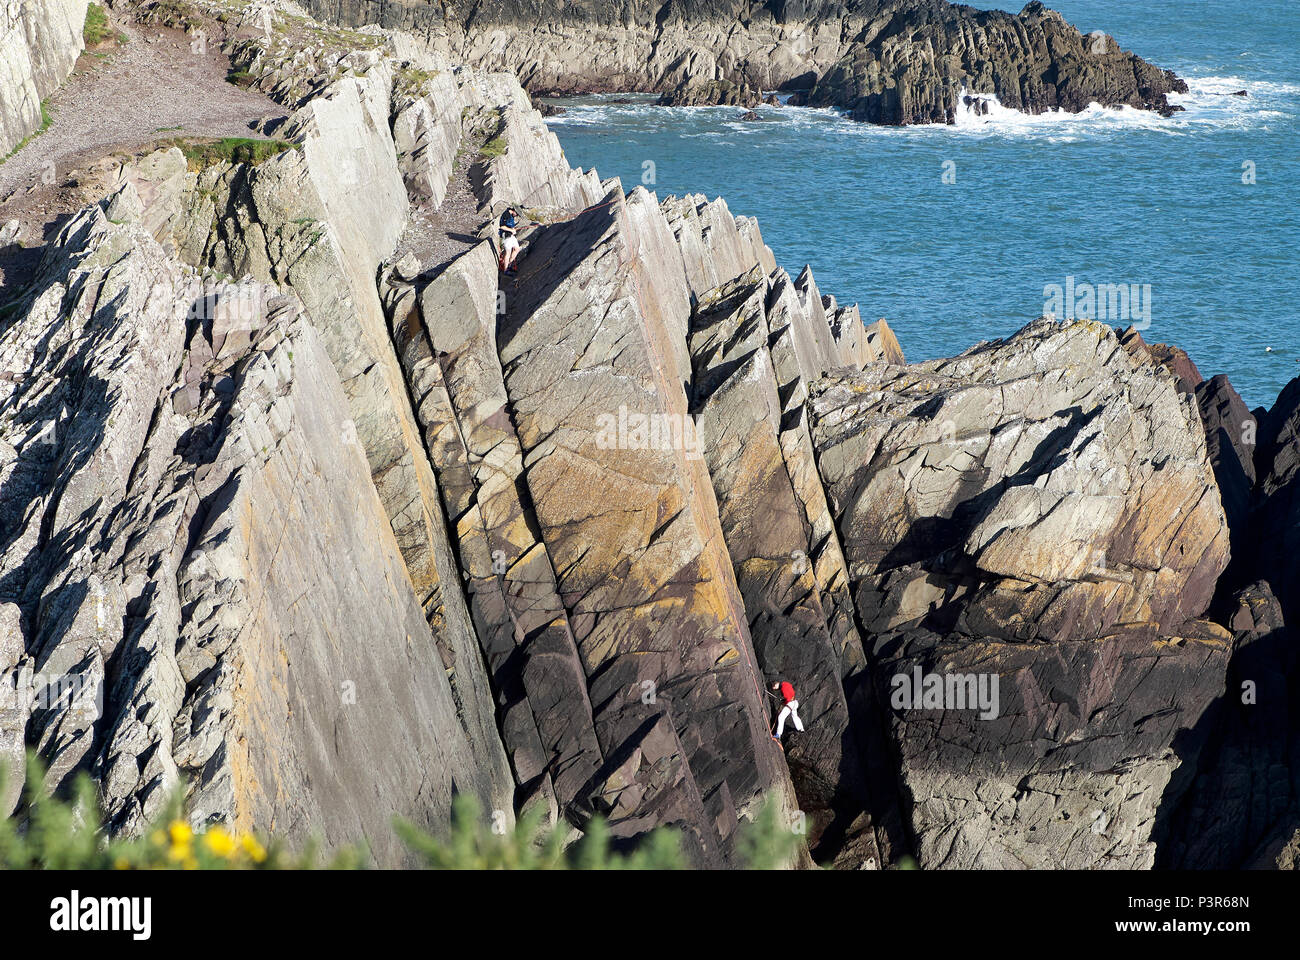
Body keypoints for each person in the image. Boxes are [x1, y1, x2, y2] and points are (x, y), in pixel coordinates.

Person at [498, 205, 523, 274]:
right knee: (508, 252)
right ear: (514, 211)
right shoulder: (506, 215)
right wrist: (511, 230)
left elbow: (509, 226)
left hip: (511, 235)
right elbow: (502, 226)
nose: (517, 215)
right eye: (517, 214)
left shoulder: (511, 215)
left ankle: (509, 264)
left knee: (517, 249)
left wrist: (512, 229)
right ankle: (505, 270)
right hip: (505, 236)